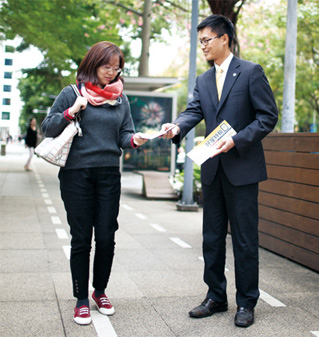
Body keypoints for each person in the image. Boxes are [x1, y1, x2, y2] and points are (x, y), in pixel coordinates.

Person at [162, 15, 278, 328]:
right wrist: (177, 127)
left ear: (224, 38)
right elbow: (194, 111)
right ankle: (215, 297)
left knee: (243, 240)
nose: (203, 46)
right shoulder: (203, 80)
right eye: (200, 41)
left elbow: (268, 117)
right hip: (212, 169)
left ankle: (246, 303)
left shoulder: (251, 72)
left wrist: (237, 139)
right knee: (211, 238)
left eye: (207, 40)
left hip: (242, 169)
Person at [41, 41, 148, 325]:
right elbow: (48, 127)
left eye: (117, 68)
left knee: (106, 236)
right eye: (106, 67)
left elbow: (125, 134)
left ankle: (99, 291)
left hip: (109, 174)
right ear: (93, 64)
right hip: (77, 174)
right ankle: (80, 299)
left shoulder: (120, 98)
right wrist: (71, 111)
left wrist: (134, 140)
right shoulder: (71, 93)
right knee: (81, 238)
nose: (112, 73)